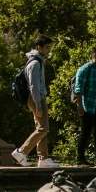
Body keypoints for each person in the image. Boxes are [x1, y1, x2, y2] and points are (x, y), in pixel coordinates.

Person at [12, 35, 60, 168]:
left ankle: (43, 158)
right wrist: (38, 104)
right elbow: (34, 86)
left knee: (41, 128)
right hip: (36, 98)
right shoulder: (35, 63)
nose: (49, 51)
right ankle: (22, 151)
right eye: (47, 48)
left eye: (50, 47)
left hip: (37, 98)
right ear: (39, 47)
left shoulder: (39, 61)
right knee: (43, 128)